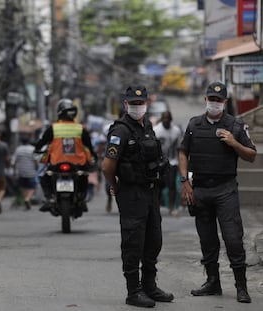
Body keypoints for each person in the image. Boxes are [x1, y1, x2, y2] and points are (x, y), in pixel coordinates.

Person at [178, 81, 256, 303]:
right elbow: (182, 152)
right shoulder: (194, 124)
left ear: (225, 102)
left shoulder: (236, 126)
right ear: (205, 100)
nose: (214, 103)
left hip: (225, 189)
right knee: (207, 240)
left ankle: (241, 287)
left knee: (233, 239)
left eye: (218, 100)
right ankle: (213, 282)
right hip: (200, 189)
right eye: (211, 99)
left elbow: (251, 154)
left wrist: (233, 143)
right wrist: (184, 181)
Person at [102, 85, 174, 308]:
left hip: (150, 191)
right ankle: (134, 291)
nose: (137, 107)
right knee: (134, 242)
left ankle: (149, 286)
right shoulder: (120, 131)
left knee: (154, 240)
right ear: (125, 105)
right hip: (131, 193)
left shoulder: (148, 126)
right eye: (133, 103)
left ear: (146, 105)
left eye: (140, 103)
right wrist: (114, 185)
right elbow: (107, 166)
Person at [34, 98, 97, 212]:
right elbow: (89, 146)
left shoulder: (53, 128)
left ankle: (50, 198)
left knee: (44, 177)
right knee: (83, 177)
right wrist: (93, 157)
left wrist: (37, 150)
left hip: (56, 163)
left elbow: (42, 143)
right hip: (77, 164)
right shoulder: (80, 128)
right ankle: (81, 198)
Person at [153, 111, 182, 215]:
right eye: (164, 118)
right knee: (158, 185)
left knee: (172, 185)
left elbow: (179, 148)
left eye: (168, 118)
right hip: (159, 162)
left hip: (172, 161)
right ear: (161, 119)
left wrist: (180, 163)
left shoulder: (176, 131)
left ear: (171, 119)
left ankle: (171, 207)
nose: (166, 120)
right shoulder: (156, 130)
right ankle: (156, 206)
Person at [12, 134, 38, 210]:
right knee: (32, 187)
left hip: (21, 172)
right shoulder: (32, 149)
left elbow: (14, 162)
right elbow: (36, 161)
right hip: (31, 172)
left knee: (23, 187)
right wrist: (36, 168)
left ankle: (26, 199)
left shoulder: (18, 149)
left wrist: (14, 172)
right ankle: (27, 198)